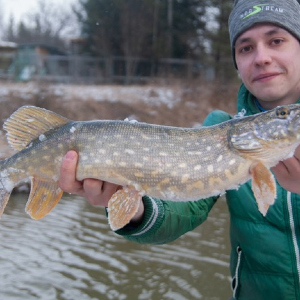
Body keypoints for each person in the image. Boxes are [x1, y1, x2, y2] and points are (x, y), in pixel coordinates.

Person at [59, 0, 300, 299]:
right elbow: (183, 209)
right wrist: (135, 209)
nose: (262, 57)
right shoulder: (219, 129)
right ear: (237, 63)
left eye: (276, 40)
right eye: (246, 48)